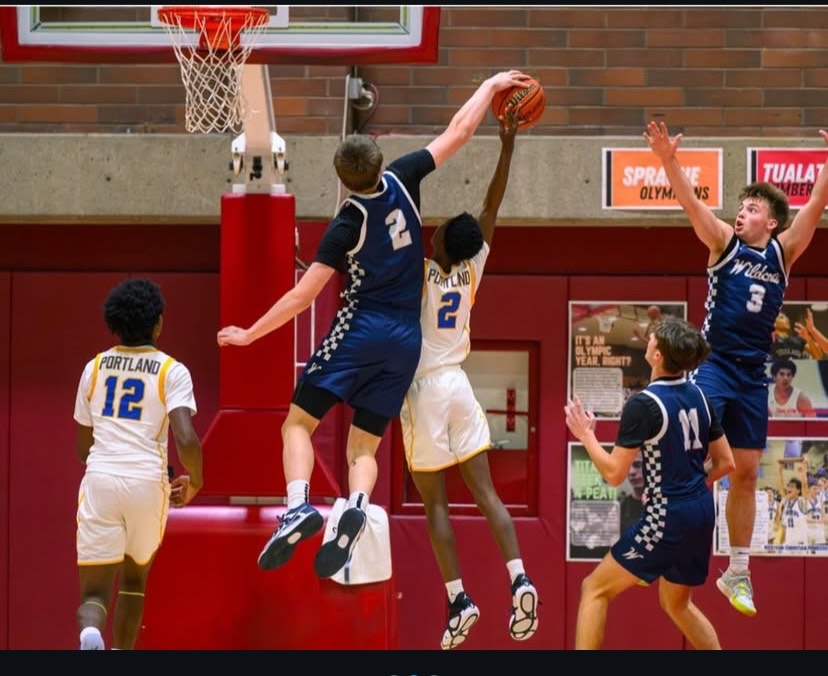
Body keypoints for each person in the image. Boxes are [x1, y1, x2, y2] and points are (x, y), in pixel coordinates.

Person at [217, 70, 532, 580]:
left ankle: (298, 505)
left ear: (345, 180)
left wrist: (251, 333)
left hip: (362, 328)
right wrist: (491, 84)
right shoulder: (405, 177)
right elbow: (459, 131)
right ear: (380, 164)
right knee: (363, 445)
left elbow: (305, 294)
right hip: (406, 343)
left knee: (297, 423)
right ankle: (357, 504)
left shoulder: (346, 223)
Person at [643, 120, 828, 617]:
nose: (740, 213)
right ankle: (667, 517)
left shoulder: (782, 252)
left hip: (752, 374)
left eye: (751, 210)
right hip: (714, 365)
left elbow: (812, 209)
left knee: (745, 471)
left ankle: (738, 570)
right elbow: (690, 204)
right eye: (740, 208)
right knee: (696, 446)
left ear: (770, 222)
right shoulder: (723, 243)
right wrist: (667, 159)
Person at [399, 110, 538, 651]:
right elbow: (491, 205)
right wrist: (507, 148)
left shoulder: (420, 270)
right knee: (486, 495)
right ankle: (520, 577)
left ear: (436, 241)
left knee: (436, 504)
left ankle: (460, 597)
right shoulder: (473, 264)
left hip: (425, 388)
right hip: (461, 384)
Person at [564, 315, 735, 650]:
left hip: (668, 515)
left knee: (594, 589)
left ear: (658, 355)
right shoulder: (701, 396)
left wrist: (586, 436)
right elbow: (726, 462)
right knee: (676, 604)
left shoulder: (644, 404)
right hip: (701, 511)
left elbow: (613, 474)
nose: (649, 339)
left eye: (653, 338)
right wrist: (690, 484)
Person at [73, 277, 203, 650]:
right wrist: (195, 479)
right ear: (158, 324)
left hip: (101, 477)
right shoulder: (171, 371)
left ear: (113, 324)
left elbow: (83, 447)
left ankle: (90, 635)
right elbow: (186, 438)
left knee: (94, 592)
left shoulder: (94, 369)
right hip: (148, 481)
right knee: (133, 582)